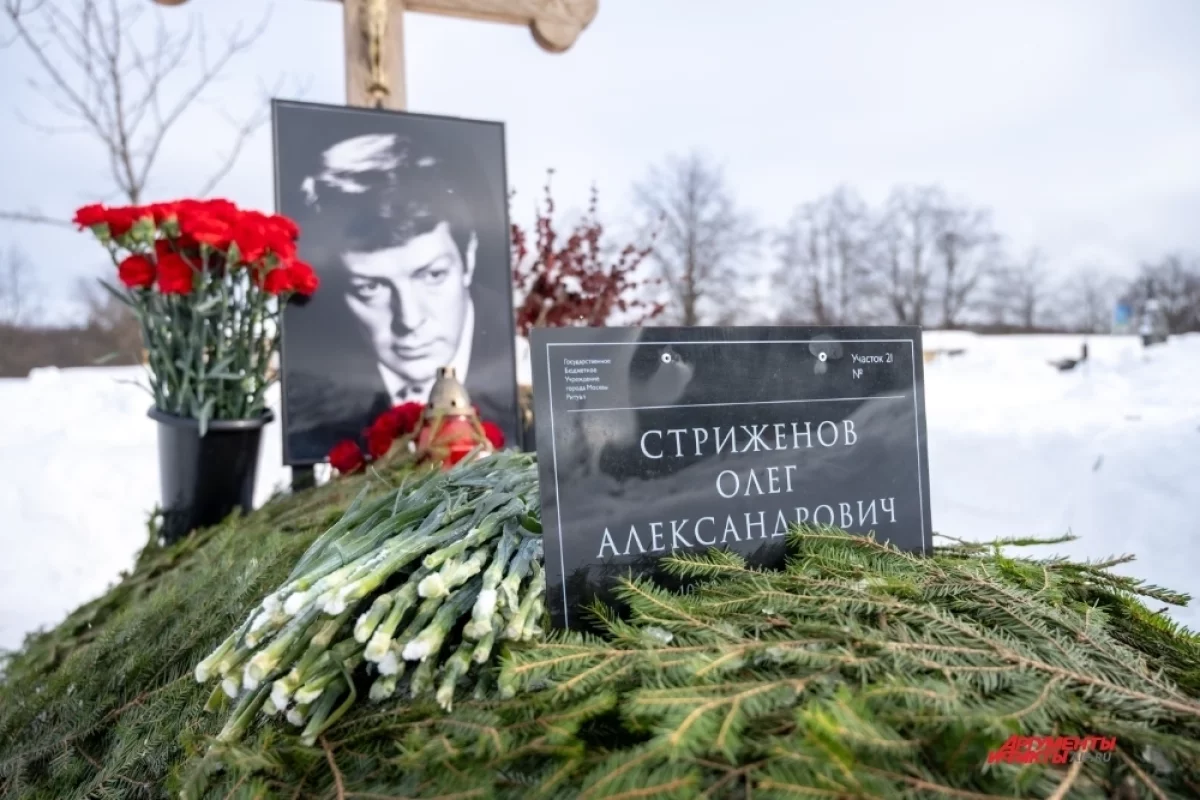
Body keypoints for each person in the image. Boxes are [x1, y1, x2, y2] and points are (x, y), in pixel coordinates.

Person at [281, 126, 519, 464]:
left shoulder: (520, 373)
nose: (409, 319)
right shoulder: (312, 407)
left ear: (468, 259)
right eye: (370, 288)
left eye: (433, 275)